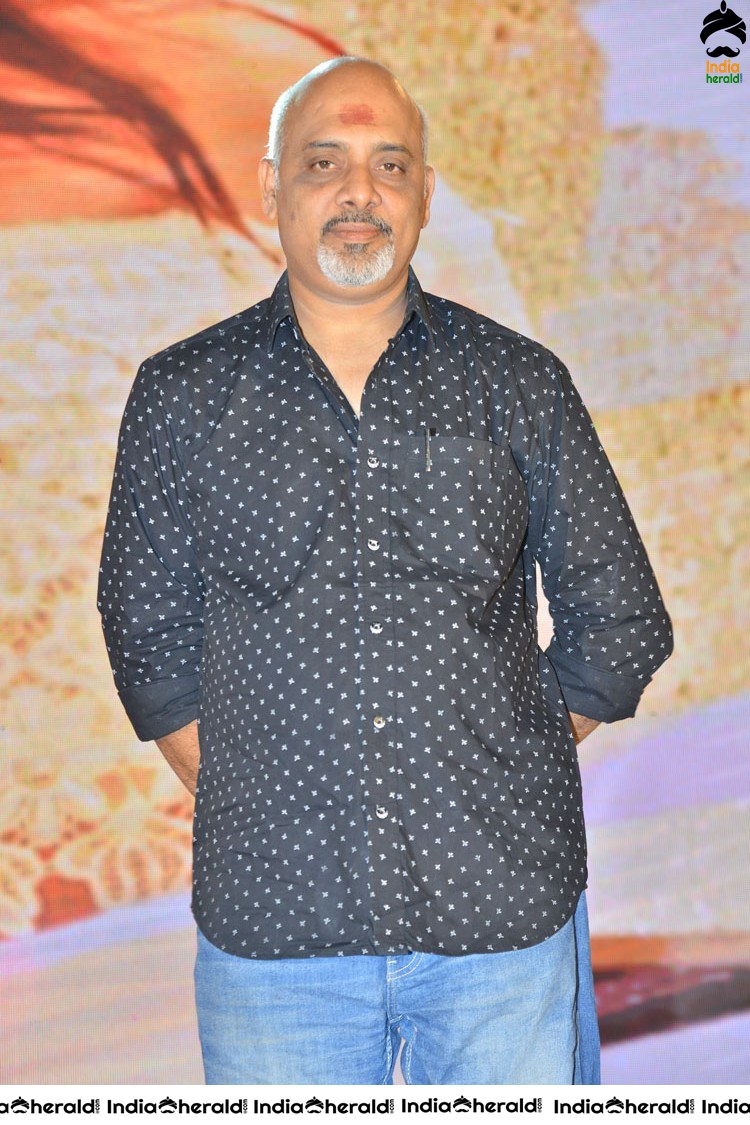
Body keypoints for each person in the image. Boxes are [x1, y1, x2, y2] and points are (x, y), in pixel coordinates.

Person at [98, 56, 673, 1085]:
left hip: (503, 923)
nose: (359, 192)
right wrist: (260, 789)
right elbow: (148, 642)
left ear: (425, 193)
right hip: (275, 929)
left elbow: (621, 618)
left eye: (389, 164)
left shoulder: (519, 382)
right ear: (272, 186)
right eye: (324, 162)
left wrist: (508, 756)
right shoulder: (182, 396)